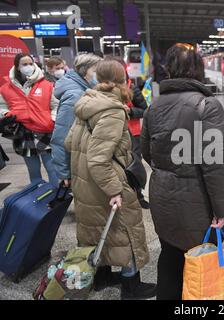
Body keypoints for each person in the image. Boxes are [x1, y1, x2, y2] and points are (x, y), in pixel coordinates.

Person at [141, 43, 224, 300]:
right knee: (201, 263)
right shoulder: (206, 105)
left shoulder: (154, 106)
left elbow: (146, 153)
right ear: (198, 70)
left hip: (162, 195)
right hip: (197, 202)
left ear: (169, 69)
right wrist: (223, 212)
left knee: (170, 256)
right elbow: (215, 166)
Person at [64, 59, 156, 300]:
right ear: (122, 81)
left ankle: (102, 277)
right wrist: (115, 189)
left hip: (85, 182)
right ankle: (131, 287)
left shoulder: (87, 103)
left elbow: (69, 143)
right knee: (126, 233)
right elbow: (98, 159)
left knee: (97, 231)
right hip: (106, 181)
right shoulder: (113, 110)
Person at [0, 53, 59, 187]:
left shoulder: (47, 85)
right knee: (33, 170)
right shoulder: (6, 88)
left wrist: (52, 120)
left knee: (52, 168)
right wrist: (6, 114)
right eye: (24, 64)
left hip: (45, 131)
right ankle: (37, 198)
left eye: (30, 64)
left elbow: (55, 105)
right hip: (24, 133)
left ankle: (55, 199)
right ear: (17, 67)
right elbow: (1, 107)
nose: (28, 67)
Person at [51, 53, 102, 188]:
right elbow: (61, 137)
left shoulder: (85, 89)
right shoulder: (76, 95)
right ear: (84, 72)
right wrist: (64, 173)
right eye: (96, 71)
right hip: (79, 163)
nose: (99, 75)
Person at [108, 56, 150, 209]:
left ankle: (138, 196)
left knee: (135, 165)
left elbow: (145, 110)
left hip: (133, 134)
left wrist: (130, 111)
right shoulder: (104, 90)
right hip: (113, 134)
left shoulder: (133, 88)